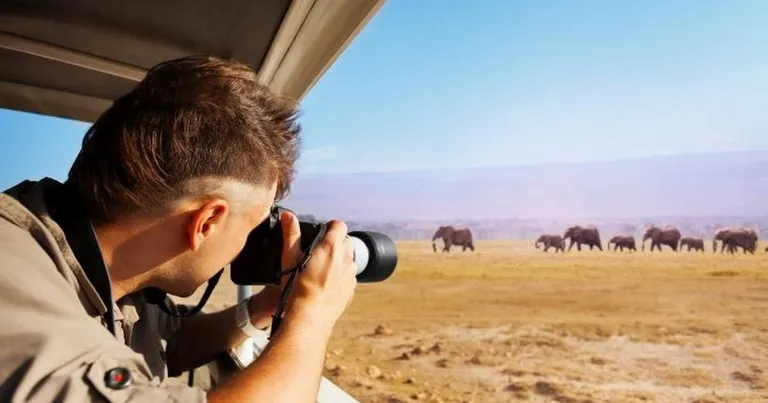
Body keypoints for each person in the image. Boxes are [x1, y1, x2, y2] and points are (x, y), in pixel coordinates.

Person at [0, 55, 358, 402]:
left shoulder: (101, 268)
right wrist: (312, 316)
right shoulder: (17, 287)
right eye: (251, 226)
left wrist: (267, 304)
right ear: (206, 222)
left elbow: (172, 341)